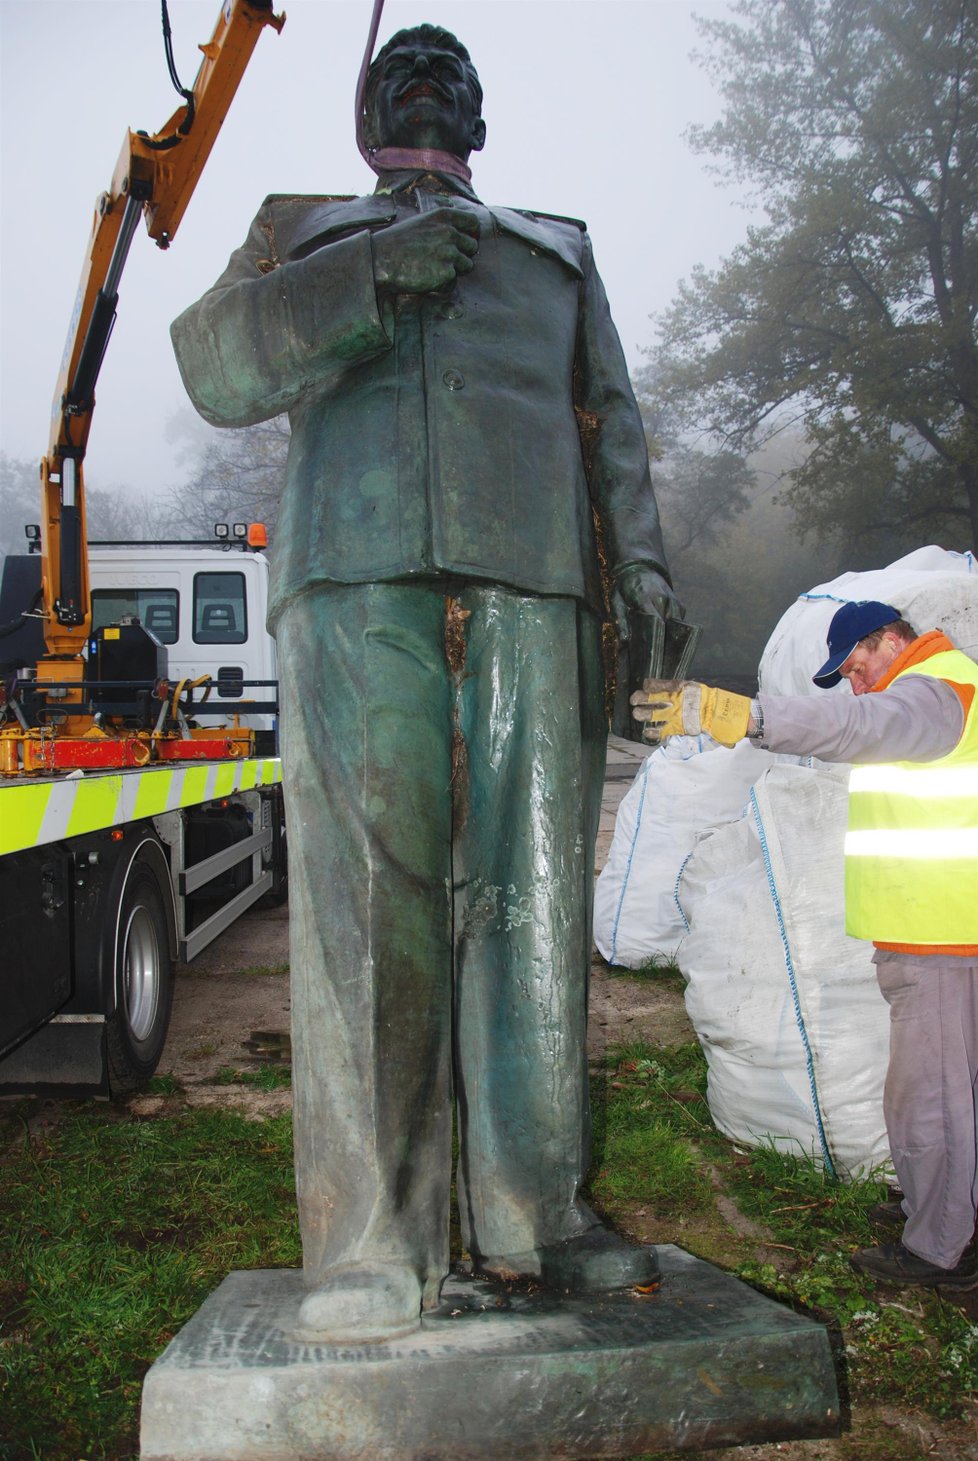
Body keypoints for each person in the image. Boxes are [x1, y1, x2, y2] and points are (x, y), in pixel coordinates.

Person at [171, 24, 680, 1341]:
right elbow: (214, 364)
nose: (433, 76)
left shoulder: (553, 246)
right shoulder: (301, 226)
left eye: (456, 71)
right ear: (365, 114)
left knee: (533, 901)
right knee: (366, 920)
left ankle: (535, 1218)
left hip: (532, 574)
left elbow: (608, 415)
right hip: (357, 573)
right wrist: (372, 275)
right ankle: (369, 1250)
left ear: (481, 121)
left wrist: (641, 566)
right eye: (408, 68)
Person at [633, 599, 978, 1291]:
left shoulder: (936, 690)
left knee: (932, 1097)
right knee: (934, 1092)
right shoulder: (929, 688)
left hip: (942, 936)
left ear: (889, 641)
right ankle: (935, 1210)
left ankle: (943, 1252)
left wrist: (746, 717)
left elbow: (858, 724)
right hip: (925, 933)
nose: (855, 684)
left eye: (855, 667)